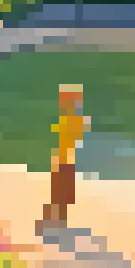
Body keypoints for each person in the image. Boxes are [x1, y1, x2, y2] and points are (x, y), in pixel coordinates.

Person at [39, 84, 88, 232]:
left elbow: (72, 141)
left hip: (66, 161)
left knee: (61, 193)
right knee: (59, 193)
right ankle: (56, 220)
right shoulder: (68, 119)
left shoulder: (74, 120)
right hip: (64, 160)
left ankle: (57, 221)